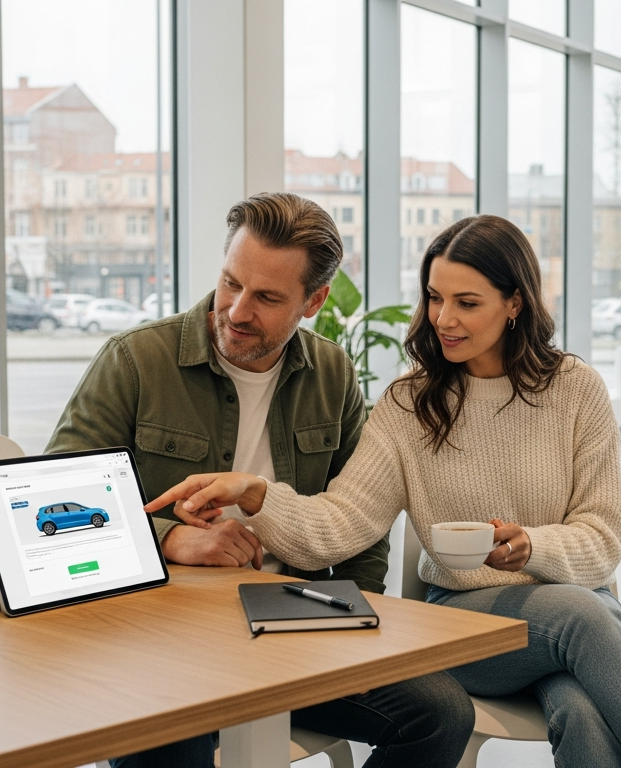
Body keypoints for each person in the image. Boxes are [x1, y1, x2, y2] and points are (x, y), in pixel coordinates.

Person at [146, 214, 621, 768]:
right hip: (471, 622)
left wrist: (532, 547)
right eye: (434, 297)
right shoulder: (408, 404)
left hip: (578, 616)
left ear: (515, 303)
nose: (443, 318)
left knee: (586, 709)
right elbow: (339, 525)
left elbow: (603, 539)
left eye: (467, 303)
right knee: (583, 615)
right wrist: (257, 495)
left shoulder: (576, 390)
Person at [45, 192, 475, 768]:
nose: (237, 310)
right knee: (178, 726)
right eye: (230, 283)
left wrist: (355, 614)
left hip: (293, 621)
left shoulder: (331, 373)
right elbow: (52, 509)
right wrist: (173, 538)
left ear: (314, 300)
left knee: (441, 713)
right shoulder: (135, 362)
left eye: (267, 297)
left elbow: (362, 523)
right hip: (162, 630)